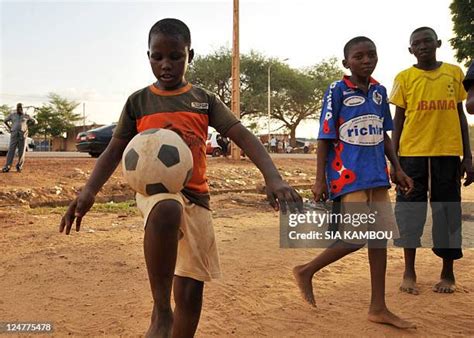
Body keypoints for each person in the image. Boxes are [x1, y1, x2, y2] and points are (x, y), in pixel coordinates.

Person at [59, 18, 302, 338]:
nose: (166, 64)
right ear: (148, 56)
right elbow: (115, 149)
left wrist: (274, 178)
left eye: (175, 56)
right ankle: (161, 312)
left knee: (189, 296)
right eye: (157, 57)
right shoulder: (139, 101)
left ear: (190, 55)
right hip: (154, 193)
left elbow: (241, 134)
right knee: (166, 209)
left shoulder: (203, 100)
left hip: (197, 198)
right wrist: (88, 190)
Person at [293, 36, 415, 329]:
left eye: (371, 55)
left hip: (378, 176)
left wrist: (396, 168)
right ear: (346, 62)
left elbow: (384, 135)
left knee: (378, 239)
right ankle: (306, 270)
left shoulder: (379, 91)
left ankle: (378, 307)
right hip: (348, 176)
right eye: (358, 56)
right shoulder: (337, 90)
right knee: (357, 236)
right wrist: (319, 179)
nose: (366, 60)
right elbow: (325, 136)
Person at [390, 27, 474, 295]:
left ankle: (448, 272)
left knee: (447, 213)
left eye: (427, 41)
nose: (423, 46)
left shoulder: (454, 73)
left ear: (438, 43)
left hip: (447, 154)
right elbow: (398, 120)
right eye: (417, 43)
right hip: (411, 155)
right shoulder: (404, 78)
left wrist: (468, 156)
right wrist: (396, 162)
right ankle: (409, 270)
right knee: (409, 212)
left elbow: (461, 116)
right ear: (410, 49)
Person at [2, 103, 37, 173]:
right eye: (18, 108)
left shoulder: (26, 115)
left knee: (21, 151)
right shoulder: (12, 115)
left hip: (23, 135)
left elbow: (35, 121)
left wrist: (27, 126)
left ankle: (19, 167)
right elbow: (5, 121)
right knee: (11, 151)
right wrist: (10, 128)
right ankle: (7, 167)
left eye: (20, 108)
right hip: (14, 134)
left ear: (22, 108)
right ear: (16, 108)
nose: (19, 109)